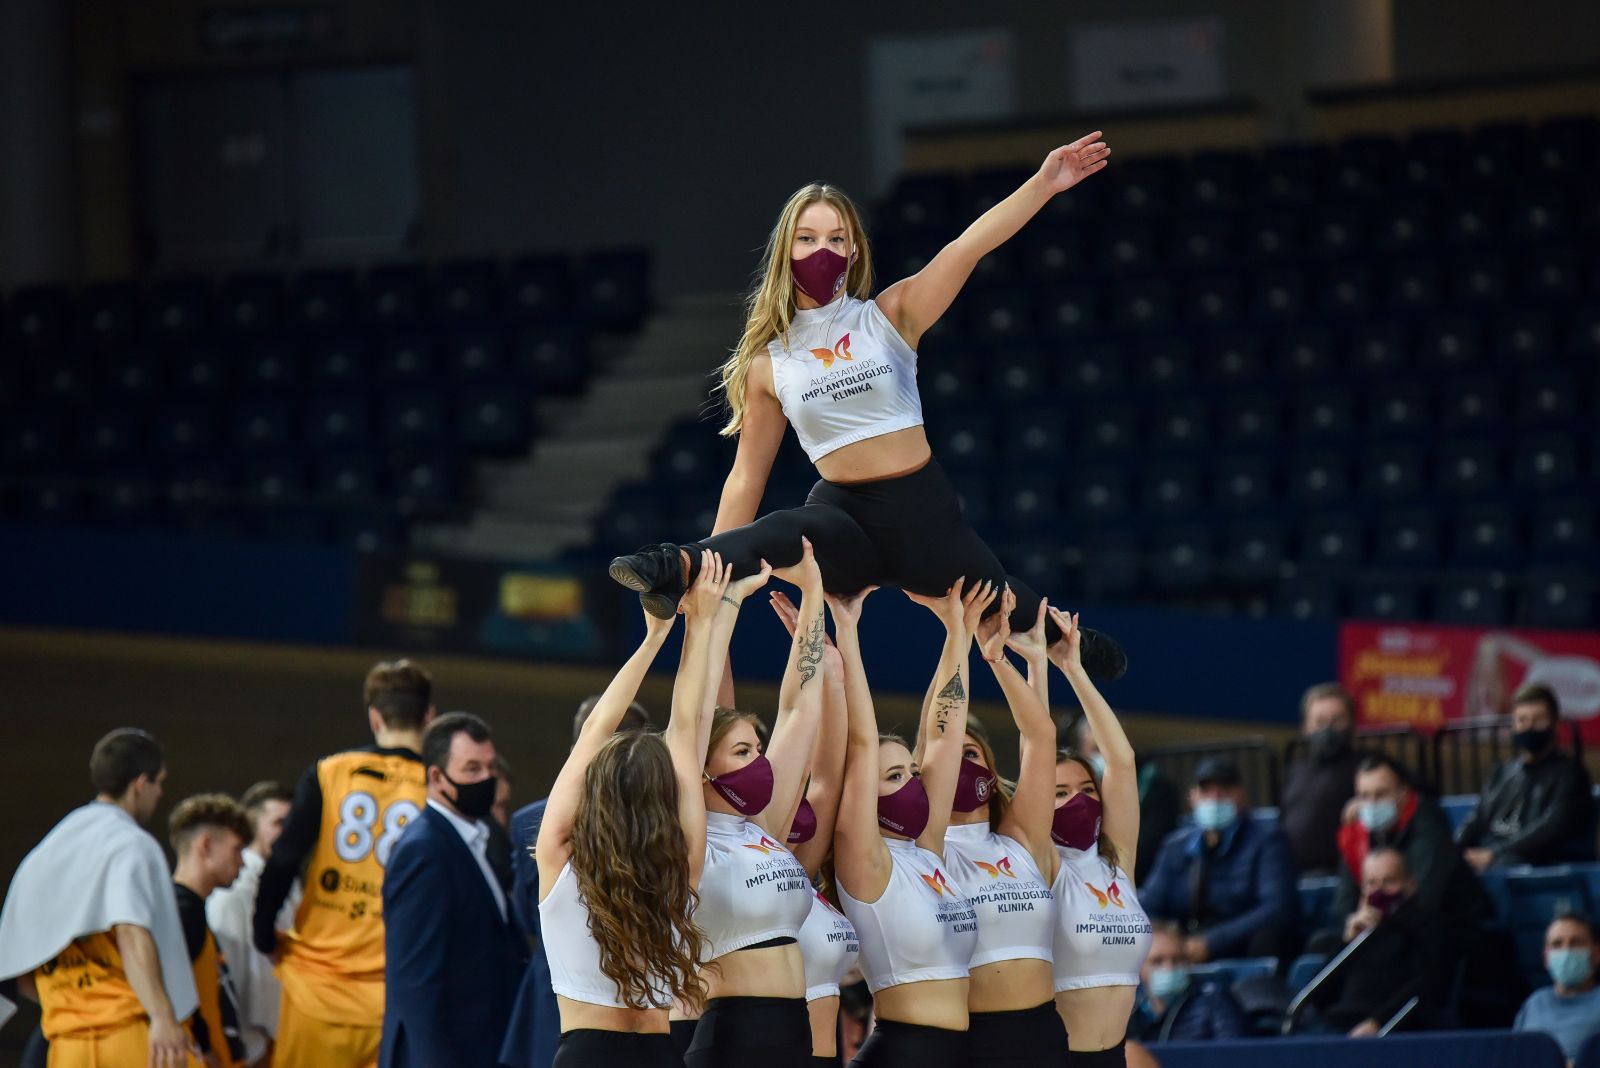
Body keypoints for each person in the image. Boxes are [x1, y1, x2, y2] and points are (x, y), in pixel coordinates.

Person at [605, 144, 1127, 682]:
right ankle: (673, 565)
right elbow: (745, 478)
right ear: (785, 250)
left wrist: (1043, 184)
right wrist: (715, 568)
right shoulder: (768, 363)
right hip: (844, 519)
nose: (822, 251)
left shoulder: (890, 316)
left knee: (1008, 614)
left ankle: (1066, 639)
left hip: (924, 519)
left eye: (836, 239)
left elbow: (967, 248)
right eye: (807, 239)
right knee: (783, 530)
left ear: (854, 252)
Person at [537, 552, 758, 1066]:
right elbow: (688, 727)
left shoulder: (559, 856)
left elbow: (594, 733)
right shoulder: (681, 865)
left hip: (587, 1054)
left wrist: (653, 637)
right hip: (660, 1053)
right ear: (663, 796)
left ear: (596, 792)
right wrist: (698, 624)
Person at [682, 539, 829, 1068]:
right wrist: (720, 610)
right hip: (732, 1036)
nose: (761, 762)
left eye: (759, 749)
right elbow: (692, 714)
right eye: (742, 751)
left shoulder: (763, 826)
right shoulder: (691, 830)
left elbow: (801, 707)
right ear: (701, 766)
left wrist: (813, 593)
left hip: (793, 1032)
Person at [901, 588, 1061, 1067]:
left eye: (971, 754)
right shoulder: (927, 845)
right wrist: (957, 635)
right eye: (955, 756)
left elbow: (1041, 736)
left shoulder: (1020, 840)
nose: (960, 762)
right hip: (977, 1040)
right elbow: (936, 735)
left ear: (991, 772)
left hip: (1046, 1033)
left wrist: (997, 660)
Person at [834, 578, 987, 1066]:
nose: (913, 783)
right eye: (893, 776)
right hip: (903, 1053)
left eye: (913, 773)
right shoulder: (866, 861)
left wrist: (958, 634)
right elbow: (861, 742)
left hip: (957, 1053)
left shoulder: (926, 850)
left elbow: (944, 734)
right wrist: (848, 631)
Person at [252, 660, 435, 1067]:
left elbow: (283, 859)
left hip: (318, 991)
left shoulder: (329, 772)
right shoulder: (438, 788)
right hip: (395, 995)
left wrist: (263, 935)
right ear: (429, 716)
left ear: (374, 717)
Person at [0, 728, 198, 1068]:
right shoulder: (129, 843)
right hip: (128, 1036)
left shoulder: (45, 854)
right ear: (140, 784)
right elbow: (131, 931)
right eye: (159, 782)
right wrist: (162, 1016)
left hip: (65, 1045)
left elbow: (13, 961)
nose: (160, 793)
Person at [503, 697, 655, 1068]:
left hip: (579, 1001)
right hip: (597, 1006)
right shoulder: (662, 830)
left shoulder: (532, 822)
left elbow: (528, 917)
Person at [1040, 607, 1155, 1068]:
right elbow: (1035, 741)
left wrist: (1073, 668)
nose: (1078, 800)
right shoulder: (1038, 864)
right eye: (1060, 793)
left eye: (1087, 789)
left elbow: (1121, 760)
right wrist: (1033, 665)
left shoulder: (1115, 861)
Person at [380, 712, 525, 1067]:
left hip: (480, 1048)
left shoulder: (476, 841)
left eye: (491, 767)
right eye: (472, 769)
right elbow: (415, 983)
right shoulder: (424, 851)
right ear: (436, 777)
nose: (486, 778)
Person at [768, 589, 859, 1068]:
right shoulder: (731, 848)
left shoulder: (796, 872)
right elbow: (795, 723)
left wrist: (832, 676)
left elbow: (826, 776)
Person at [1325, 754, 1493, 949]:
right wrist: (1354, 922)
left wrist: (1377, 922)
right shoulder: (1358, 832)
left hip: (1445, 933)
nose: (1372, 803)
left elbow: (1426, 898)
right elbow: (1344, 900)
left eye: (1381, 794)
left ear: (1403, 793)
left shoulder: (1429, 823)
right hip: (1387, 932)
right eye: (1364, 796)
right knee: (1322, 945)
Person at [1141, 757, 1299, 963]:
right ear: (1192, 797)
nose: (1215, 798)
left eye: (1224, 790)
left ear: (1241, 795)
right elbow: (1148, 907)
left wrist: (1212, 942)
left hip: (1242, 945)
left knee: (1269, 938)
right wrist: (1172, 940)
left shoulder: (1268, 839)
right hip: (1184, 951)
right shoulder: (1175, 846)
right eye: (1206, 791)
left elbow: (1277, 908)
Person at [1297, 848, 1450, 1035]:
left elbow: (1425, 986)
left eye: (1389, 881)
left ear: (1410, 884)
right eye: (1371, 883)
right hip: (1337, 1024)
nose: (1379, 891)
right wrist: (1347, 943)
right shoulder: (1360, 932)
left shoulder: (1426, 926)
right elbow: (1317, 997)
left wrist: (1378, 1022)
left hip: (1391, 1029)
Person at [1458, 684, 1594, 870]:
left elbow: (1552, 828)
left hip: (1537, 863)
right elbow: (1476, 819)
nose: (1529, 727)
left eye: (1538, 720)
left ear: (1554, 723)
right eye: (1522, 720)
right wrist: (1452, 851)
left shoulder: (1571, 774)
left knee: (1504, 864)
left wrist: (1493, 854)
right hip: (1492, 855)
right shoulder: (1502, 772)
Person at [206, 780, 294, 1066]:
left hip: (284, 1032)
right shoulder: (232, 891)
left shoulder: (289, 882)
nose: (287, 831)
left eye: (291, 823)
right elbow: (231, 977)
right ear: (253, 825)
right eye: (278, 823)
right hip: (251, 1041)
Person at [171, 794, 253, 1068]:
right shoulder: (182, 911)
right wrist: (205, 1047)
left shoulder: (188, 907)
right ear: (205, 845)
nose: (242, 862)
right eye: (236, 850)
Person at [1065, 714, 1181, 885]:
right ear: (1082, 752)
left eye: (1108, 748)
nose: (1104, 756)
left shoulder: (1155, 786)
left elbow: (1148, 848)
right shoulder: (1074, 788)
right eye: (1096, 749)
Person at [1280, 683, 1364, 875]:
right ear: (1306, 727)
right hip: (1294, 875)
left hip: (1345, 874)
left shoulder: (1368, 766)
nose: (1327, 729)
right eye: (1319, 721)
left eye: (1337, 720)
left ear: (1352, 723)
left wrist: (1368, 803)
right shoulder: (1295, 771)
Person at [1130, 922, 1248, 1043]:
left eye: (1178, 960)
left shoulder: (1214, 1001)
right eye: (1157, 961)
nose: (1169, 968)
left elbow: (1235, 1051)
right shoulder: (1131, 1014)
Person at [1514, 914, 1600, 1062]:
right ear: (1546, 958)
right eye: (1557, 944)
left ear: (1596, 954)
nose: (1566, 951)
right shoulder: (1534, 1004)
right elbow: (1514, 1057)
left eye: (1576, 943)